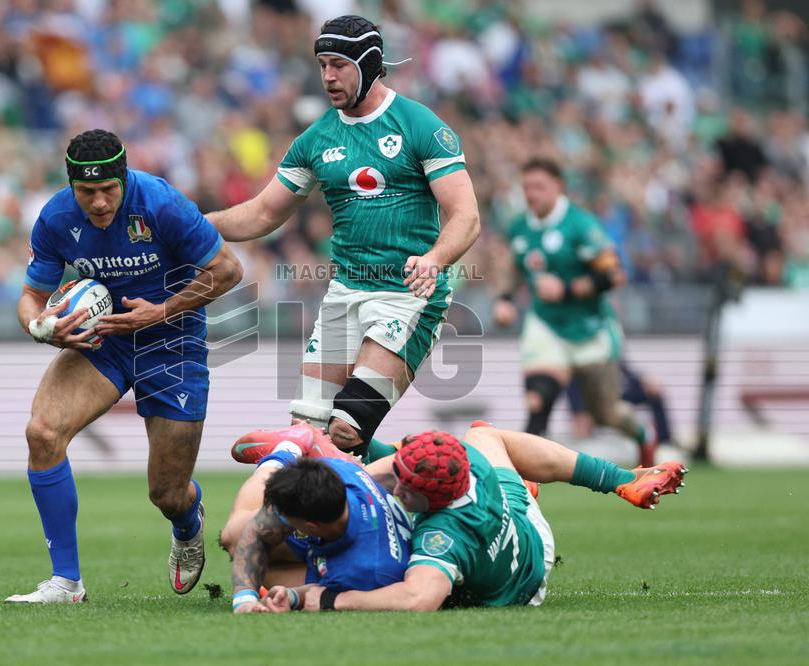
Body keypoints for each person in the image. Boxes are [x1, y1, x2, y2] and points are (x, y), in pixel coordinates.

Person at [207, 15, 480, 459]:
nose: (328, 76)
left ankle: (438, 471)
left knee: (347, 430)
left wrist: (434, 259)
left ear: (369, 65)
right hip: (344, 295)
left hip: (407, 297)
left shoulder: (419, 125)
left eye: (338, 65)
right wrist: (195, 223)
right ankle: (418, 466)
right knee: (306, 434)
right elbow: (262, 213)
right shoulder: (316, 139)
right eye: (322, 65)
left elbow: (466, 216)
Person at [7, 129, 243, 603]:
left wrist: (160, 311)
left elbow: (228, 270)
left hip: (172, 342)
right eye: (86, 191)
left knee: (167, 493)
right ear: (71, 185)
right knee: (43, 433)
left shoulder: (161, 203)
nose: (98, 202)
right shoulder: (55, 218)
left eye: (107, 189)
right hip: (104, 342)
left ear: (124, 177)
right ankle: (66, 582)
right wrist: (40, 327)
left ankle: (187, 521)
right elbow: (32, 296)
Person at [255, 422, 687, 612]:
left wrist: (327, 599)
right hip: (520, 519)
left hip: (521, 585)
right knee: (482, 433)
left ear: (433, 503)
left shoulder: (441, 537)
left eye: (406, 489)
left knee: (323, 570)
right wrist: (346, 460)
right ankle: (622, 479)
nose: (397, 489)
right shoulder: (461, 457)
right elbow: (393, 472)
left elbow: (418, 601)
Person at [493, 157, 657, 467]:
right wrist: (505, 299)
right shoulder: (518, 227)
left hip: (589, 327)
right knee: (537, 400)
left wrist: (567, 290)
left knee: (606, 413)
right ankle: (525, 483)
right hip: (546, 324)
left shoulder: (581, 225)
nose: (531, 194)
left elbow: (614, 275)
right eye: (527, 187)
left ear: (558, 187)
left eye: (539, 187)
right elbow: (515, 267)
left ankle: (643, 434)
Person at [220, 422, 413, 613]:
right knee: (238, 537)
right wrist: (244, 599)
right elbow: (256, 532)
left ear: (310, 527)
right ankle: (287, 451)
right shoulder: (340, 475)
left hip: (359, 553)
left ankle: (289, 449)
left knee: (243, 547)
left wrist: (294, 596)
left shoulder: (362, 573)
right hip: (347, 525)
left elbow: (322, 594)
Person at [566, 360, 678, 449]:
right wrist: (579, 411)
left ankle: (663, 445)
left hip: (617, 394)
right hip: (596, 399)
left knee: (654, 392)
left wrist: (645, 381)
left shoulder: (610, 348)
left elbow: (626, 371)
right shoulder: (579, 362)